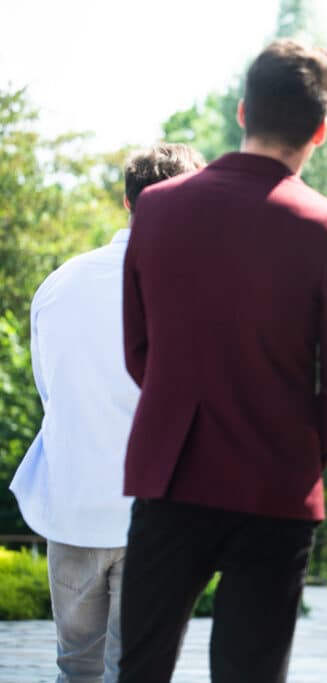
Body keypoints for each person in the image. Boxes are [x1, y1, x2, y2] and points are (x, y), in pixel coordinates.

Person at [116, 39, 327, 683]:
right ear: (320, 129)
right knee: (250, 673)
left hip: (172, 471)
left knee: (141, 664)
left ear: (241, 111)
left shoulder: (158, 207)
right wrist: (302, 452)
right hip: (277, 482)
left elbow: (138, 346)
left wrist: (181, 409)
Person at [9, 143, 204, 683]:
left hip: (71, 504)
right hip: (155, 514)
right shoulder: (196, 293)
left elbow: (51, 393)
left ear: (127, 200)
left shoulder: (60, 283)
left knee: (76, 667)